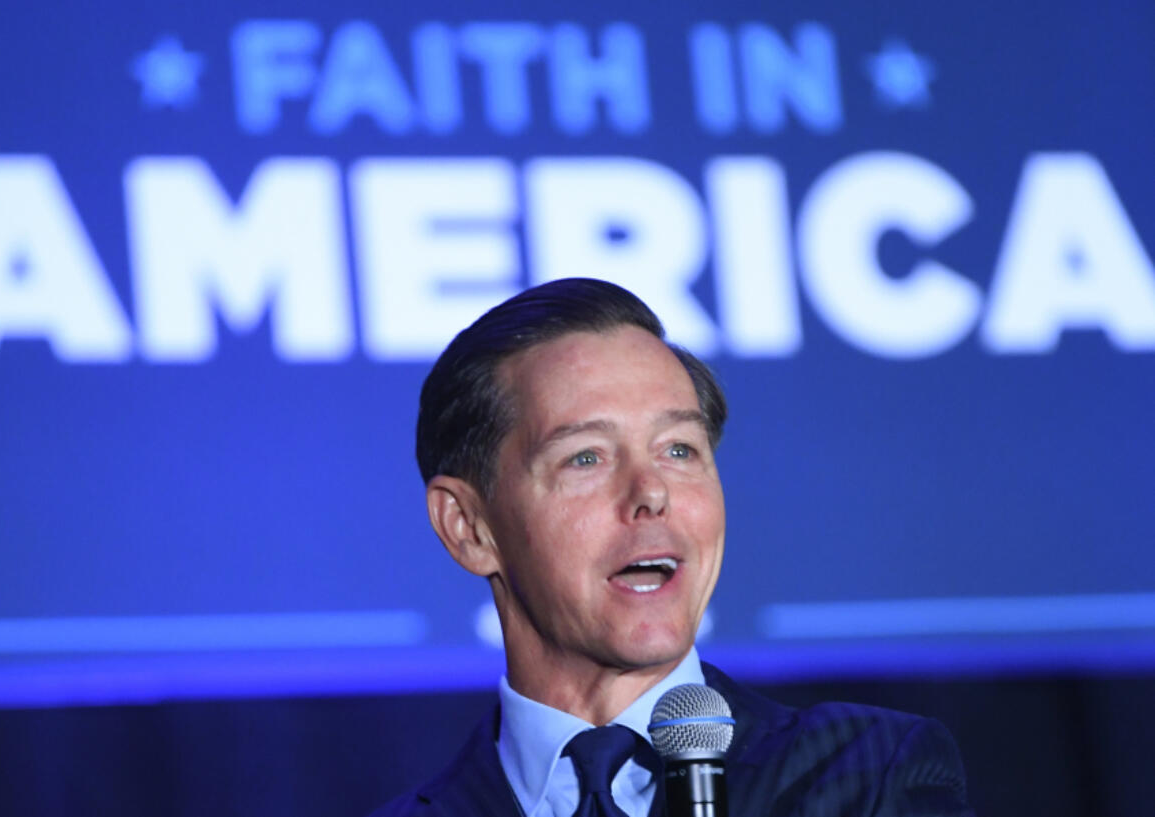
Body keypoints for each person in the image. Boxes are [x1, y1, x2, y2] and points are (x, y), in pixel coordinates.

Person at [371, 278, 973, 817]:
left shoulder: (865, 777)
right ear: (468, 527)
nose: (651, 492)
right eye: (586, 457)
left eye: (679, 450)